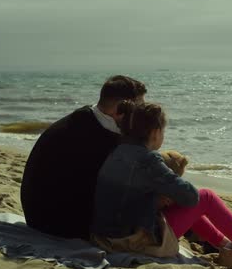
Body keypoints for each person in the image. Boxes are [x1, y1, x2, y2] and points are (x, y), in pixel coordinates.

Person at [90, 101, 232, 269]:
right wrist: (166, 194)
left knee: (179, 200)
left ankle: (227, 246)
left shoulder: (118, 152)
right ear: (155, 132)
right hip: (132, 242)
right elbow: (191, 198)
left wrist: (155, 199)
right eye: (163, 130)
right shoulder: (148, 160)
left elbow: (124, 197)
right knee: (205, 197)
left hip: (106, 236)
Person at [20, 75, 147, 239]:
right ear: (121, 110)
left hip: (39, 215)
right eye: (139, 109)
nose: (141, 115)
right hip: (56, 223)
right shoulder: (96, 137)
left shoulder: (87, 120)